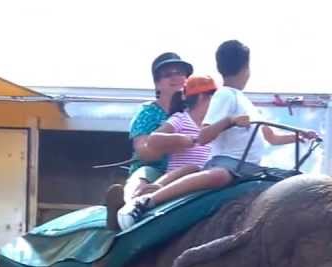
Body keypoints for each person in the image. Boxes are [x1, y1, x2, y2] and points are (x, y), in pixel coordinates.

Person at [115, 39, 319, 231]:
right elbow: (201, 136)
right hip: (225, 165)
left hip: (249, 168)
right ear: (246, 68)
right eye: (208, 96)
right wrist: (227, 122)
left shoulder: (245, 102)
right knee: (211, 174)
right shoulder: (217, 99)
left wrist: (299, 135)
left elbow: (271, 137)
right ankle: (144, 201)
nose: (211, 101)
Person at [104, 52, 195, 230]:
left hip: (188, 171)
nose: (176, 77)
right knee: (143, 174)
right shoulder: (148, 112)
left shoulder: (197, 109)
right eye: (168, 74)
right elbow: (144, 152)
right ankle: (124, 205)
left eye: (181, 73)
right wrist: (175, 142)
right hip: (157, 171)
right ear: (157, 83)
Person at [144, 74, 219, 192]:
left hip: (205, 179)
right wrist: (180, 139)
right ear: (202, 97)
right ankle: (152, 190)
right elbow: (151, 141)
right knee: (192, 169)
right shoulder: (181, 119)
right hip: (177, 179)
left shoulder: (215, 124)